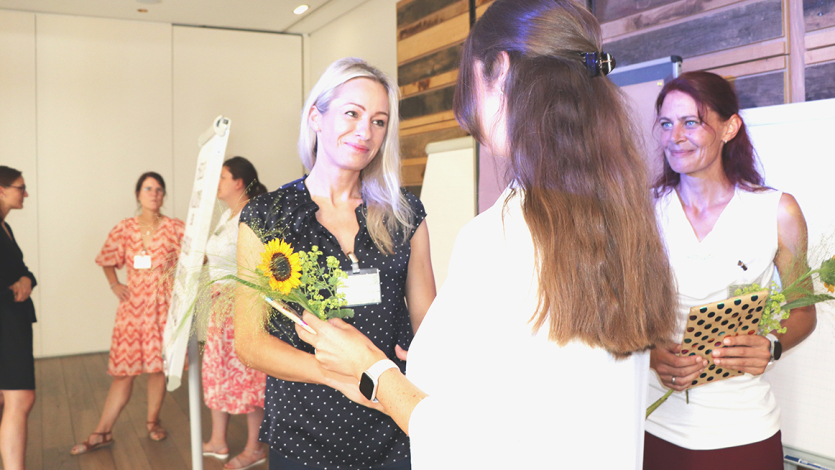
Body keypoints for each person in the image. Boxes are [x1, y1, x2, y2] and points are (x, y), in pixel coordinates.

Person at [293, 1, 678, 468]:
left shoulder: (498, 235)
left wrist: (369, 368)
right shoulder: (628, 218)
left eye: (377, 120)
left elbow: (466, 439)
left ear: (500, 68)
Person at [234, 57, 436, 470]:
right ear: (316, 117)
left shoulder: (405, 215)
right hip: (305, 430)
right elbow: (249, 343)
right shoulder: (267, 217)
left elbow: (429, 322)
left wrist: (421, 353)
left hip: (393, 423)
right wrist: (339, 374)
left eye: (379, 121)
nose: (365, 131)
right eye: (352, 113)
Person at [643, 71, 816, 469]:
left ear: (729, 127)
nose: (675, 136)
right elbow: (615, 307)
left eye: (691, 122)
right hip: (657, 427)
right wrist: (649, 352)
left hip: (745, 430)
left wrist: (771, 345)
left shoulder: (777, 211)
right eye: (666, 124)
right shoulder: (643, 211)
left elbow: (804, 310)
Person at [71, 172, 185, 455]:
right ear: (138, 194)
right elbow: (107, 259)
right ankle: (102, 431)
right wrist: (114, 284)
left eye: (159, 189)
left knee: (157, 369)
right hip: (133, 309)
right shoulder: (125, 228)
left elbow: (196, 258)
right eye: (148, 188)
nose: (154, 193)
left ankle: (152, 422)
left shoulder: (174, 228)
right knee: (124, 373)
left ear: (164, 195)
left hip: (163, 307)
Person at [201, 157, 270, 469]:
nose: (218, 183)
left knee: (249, 377)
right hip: (221, 306)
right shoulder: (228, 216)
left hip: (243, 304)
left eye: (223, 177)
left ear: (239, 182)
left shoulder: (253, 215)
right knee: (220, 373)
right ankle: (218, 440)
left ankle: (256, 447)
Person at [0, 166, 37, 470]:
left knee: (12, 399)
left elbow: (21, 270)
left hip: (12, 320)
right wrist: (15, 287)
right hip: (5, 324)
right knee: (20, 398)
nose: (25, 193)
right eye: (20, 187)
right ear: (1, 189)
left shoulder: (6, 227)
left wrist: (26, 280)